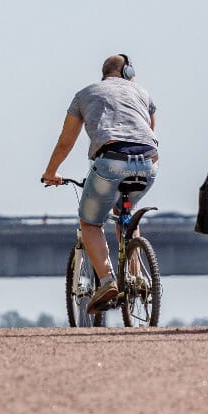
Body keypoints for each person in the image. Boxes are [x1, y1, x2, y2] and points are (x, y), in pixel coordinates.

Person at [42, 54, 159, 313]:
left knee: (90, 222)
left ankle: (107, 281)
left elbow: (66, 141)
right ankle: (136, 277)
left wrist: (51, 171)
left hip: (110, 162)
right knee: (124, 212)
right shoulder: (142, 93)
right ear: (128, 72)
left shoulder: (85, 94)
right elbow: (152, 134)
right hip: (147, 166)